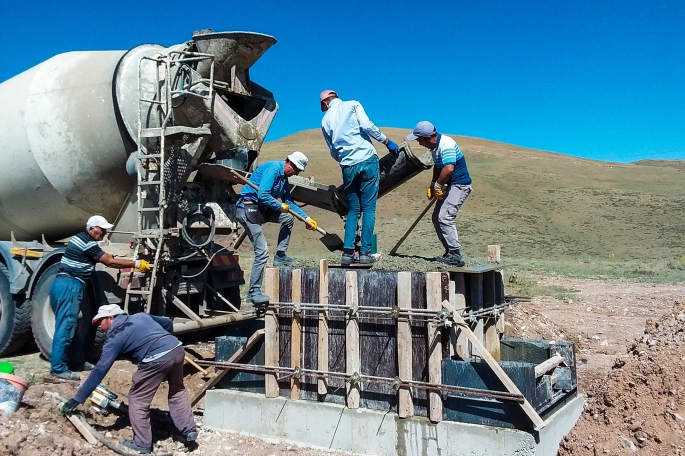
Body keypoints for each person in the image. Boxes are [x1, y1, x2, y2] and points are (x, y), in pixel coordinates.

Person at [61, 304, 197, 454]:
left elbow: (100, 370)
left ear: (111, 318)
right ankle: (189, 430)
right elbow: (168, 323)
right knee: (177, 390)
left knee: (138, 399)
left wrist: (78, 398)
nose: (99, 326)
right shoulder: (140, 316)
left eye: (100, 321)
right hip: (176, 348)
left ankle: (142, 444)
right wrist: (164, 344)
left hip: (156, 359)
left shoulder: (115, 338)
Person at [50, 215, 150, 381]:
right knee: (65, 327)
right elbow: (109, 262)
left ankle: (77, 362)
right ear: (91, 229)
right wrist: (136, 264)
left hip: (65, 285)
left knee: (71, 326)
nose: (105, 232)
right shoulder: (87, 242)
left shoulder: (82, 239)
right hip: (69, 286)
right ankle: (58, 368)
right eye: (102, 229)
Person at [319, 90, 400, 265]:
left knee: (353, 210)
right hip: (367, 159)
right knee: (369, 208)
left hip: (348, 166)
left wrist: (344, 160)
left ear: (325, 103)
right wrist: (386, 141)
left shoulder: (325, 120)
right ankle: (365, 253)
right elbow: (367, 125)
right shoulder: (353, 104)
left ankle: (348, 253)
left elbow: (332, 149)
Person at [235, 152, 318, 305]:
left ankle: (280, 255)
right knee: (262, 252)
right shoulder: (273, 169)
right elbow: (263, 195)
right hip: (248, 209)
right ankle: (253, 292)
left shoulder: (284, 178)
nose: (297, 173)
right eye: (296, 169)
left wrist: (306, 218)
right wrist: (279, 206)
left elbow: (289, 202)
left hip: (262, 209)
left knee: (288, 217)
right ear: (289, 163)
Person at [406, 121, 472, 267]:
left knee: (445, 217)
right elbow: (439, 165)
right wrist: (433, 183)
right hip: (451, 184)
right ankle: (449, 251)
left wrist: (438, 185)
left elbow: (448, 169)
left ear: (428, 137)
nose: (419, 143)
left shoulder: (446, 144)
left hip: (460, 185)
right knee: (436, 217)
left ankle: (455, 255)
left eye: (419, 140)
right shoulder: (435, 148)